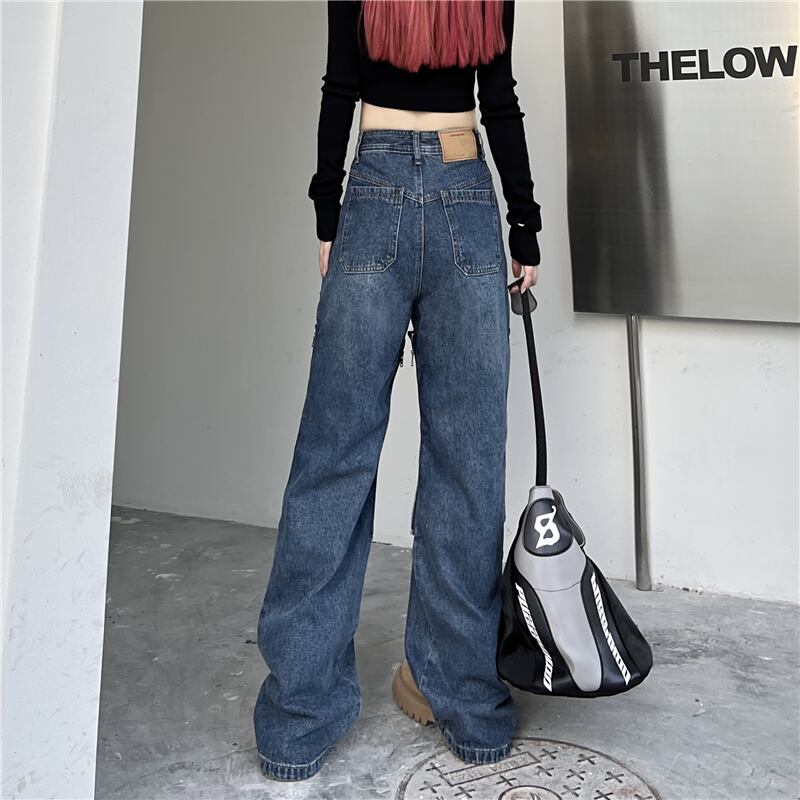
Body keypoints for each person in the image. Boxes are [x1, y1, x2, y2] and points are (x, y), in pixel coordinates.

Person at [253, 0, 542, 782]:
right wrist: (523, 222)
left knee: (333, 458)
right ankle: (468, 702)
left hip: (375, 188)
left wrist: (328, 211)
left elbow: (338, 87)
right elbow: (499, 97)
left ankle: (298, 718)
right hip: (465, 192)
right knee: (468, 463)